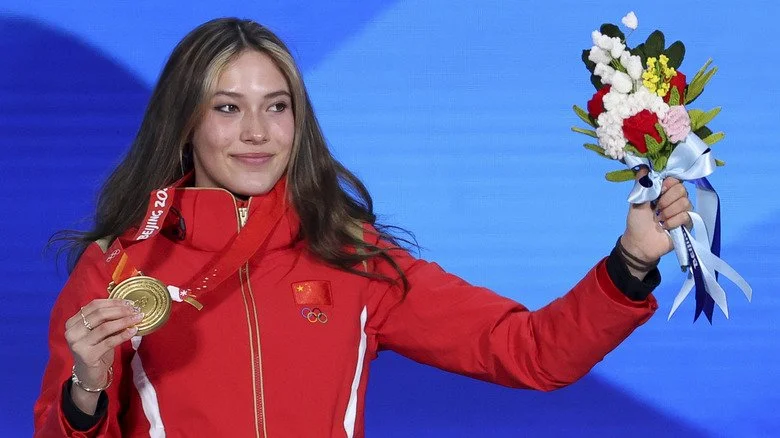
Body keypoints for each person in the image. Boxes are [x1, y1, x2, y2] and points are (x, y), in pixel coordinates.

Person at [34, 17, 692, 438]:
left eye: (276, 107)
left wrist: (631, 262)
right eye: (227, 108)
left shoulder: (351, 257)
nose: (257, 132)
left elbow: (529, 351)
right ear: (185, 124)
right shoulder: (120, 269)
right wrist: (86, 389)